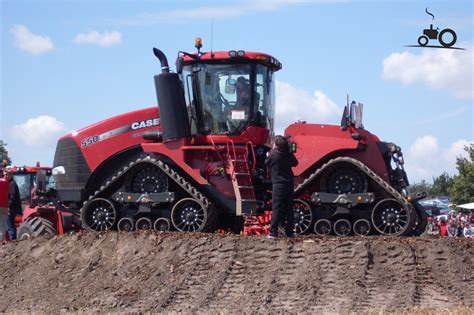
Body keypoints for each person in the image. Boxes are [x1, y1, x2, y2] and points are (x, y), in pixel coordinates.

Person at [265, 135, 298, 238]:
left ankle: (273, 233)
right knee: (289, 209)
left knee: (277, 208)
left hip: (278, 185)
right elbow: (295, 163)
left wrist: (268, 154)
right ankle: (289, 233)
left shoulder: (273, 154)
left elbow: (266, 163)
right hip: (289, 184)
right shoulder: (289, 154)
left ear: (276, 145)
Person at [5, 170, 21, 240]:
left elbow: (12, 197)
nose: (6, 176)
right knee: (11, 224)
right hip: (14, 207)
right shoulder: (11, 183)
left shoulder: (12, 184)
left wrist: (8, 207)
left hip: (12, 208)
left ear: (10, 175)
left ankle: (12, 240)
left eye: (7, 174)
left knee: (9, 225)